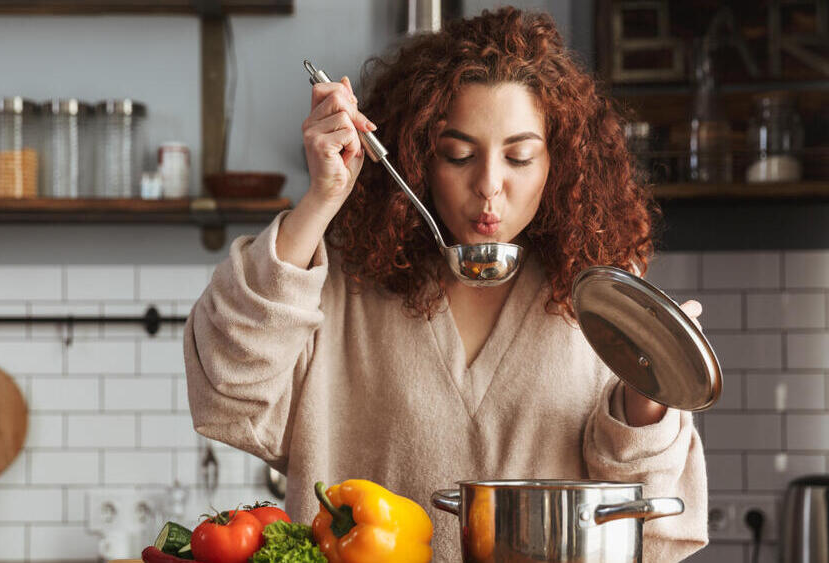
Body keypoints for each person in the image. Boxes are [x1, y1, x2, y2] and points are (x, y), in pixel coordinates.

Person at [184, 6, 707, 562]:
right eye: (458, 155)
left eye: (519, 157)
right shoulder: (341, 282)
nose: (489, 186)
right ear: (418, 157)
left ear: (559, 162)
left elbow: (648, 521)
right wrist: (321, 200)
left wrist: (649, 394)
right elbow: (228, 391)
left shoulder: (601, 298)